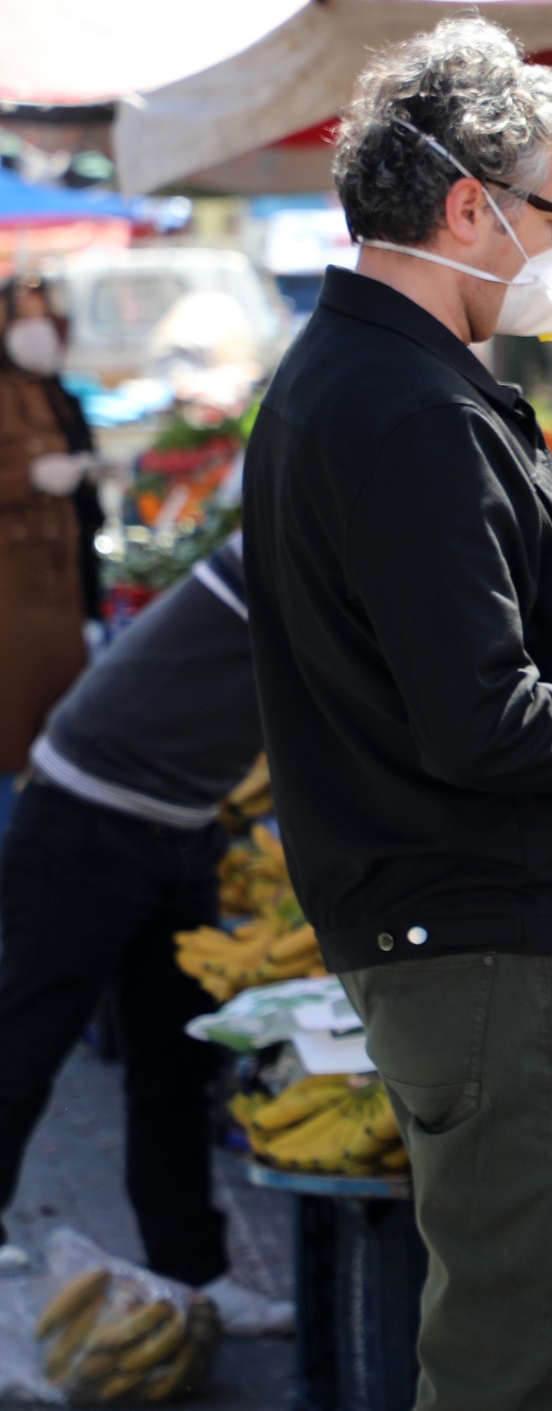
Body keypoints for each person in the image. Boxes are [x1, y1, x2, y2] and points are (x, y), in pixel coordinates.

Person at [242, 16, 552, 1410]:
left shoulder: (371, 381)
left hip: (475, 930)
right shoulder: (403, 405)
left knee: (550, 1322)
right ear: (469, 201)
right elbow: (485, 720)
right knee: (516, 1356)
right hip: (491, 938)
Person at [0, 534, 293, 1336]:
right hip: (82, 819)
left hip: (180, 826)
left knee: (175, 1064)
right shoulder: (288, 543)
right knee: (23, 1051)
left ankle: (193, 1272)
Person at [0, 277, 92, 835]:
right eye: (20, 318)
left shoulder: (52, 388)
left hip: (60, 581)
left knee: (57, 724)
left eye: (42, 316)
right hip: (11, 588)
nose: (34, 329)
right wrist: (28, 477)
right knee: (13, 727)